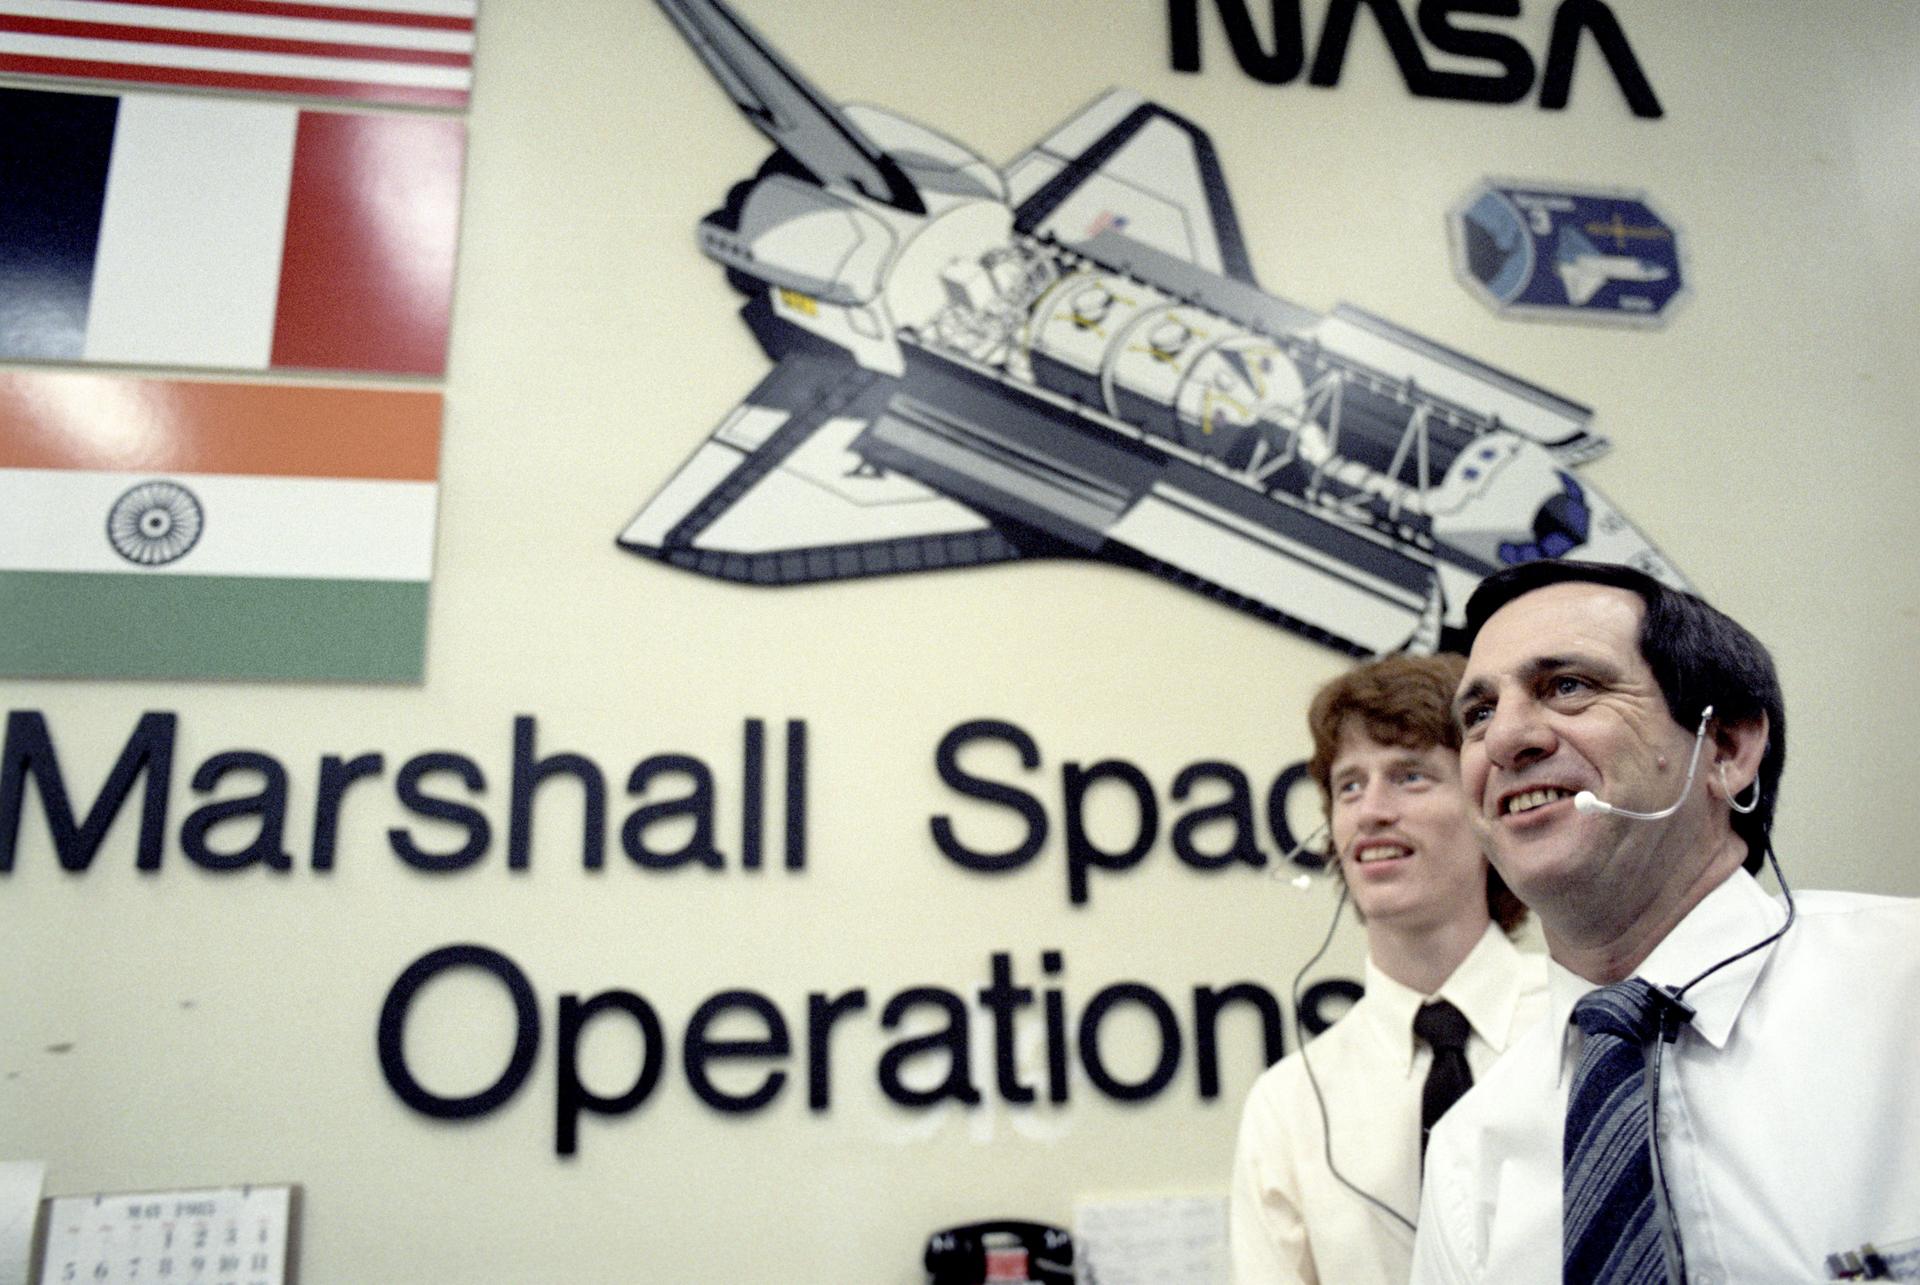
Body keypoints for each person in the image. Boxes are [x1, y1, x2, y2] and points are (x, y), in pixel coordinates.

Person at [1412, 560, 1920, 1284]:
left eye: (1568, 685)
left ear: (1729, 747)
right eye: (1479, 713)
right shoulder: (1470, 1150)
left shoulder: (1905, 987)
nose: (1505, 740)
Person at [1231, 654, 1547, 1285]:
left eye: (1410, 776)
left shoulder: (1586, 1023)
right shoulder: (1290, 1106)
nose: (1371, 810)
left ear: (1487, 806)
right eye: (1349, 785)